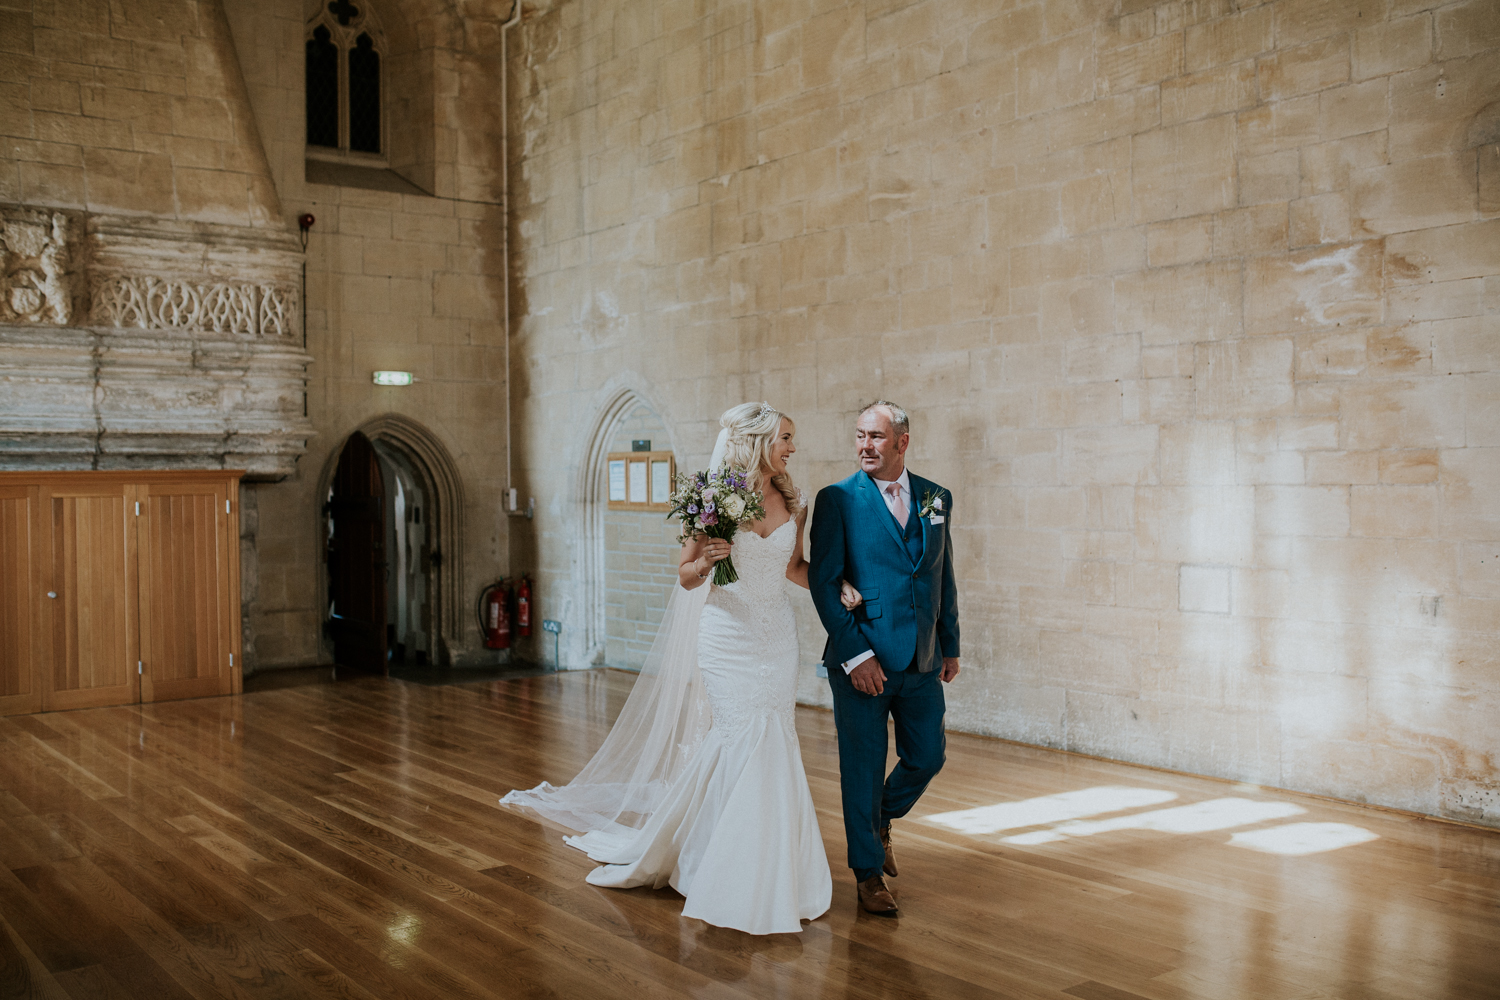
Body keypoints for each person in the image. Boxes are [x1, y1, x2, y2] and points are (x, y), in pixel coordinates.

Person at [502, 402, 835, 935]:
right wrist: (707, 561)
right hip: (726, 637)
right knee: (741, 736)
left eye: (792, 438)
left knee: (775, 737)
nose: (793, 448)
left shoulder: (794, 499)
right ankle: (724, 863)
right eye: (785, 438)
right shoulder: (713, 496)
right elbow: (684, 574)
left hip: (776, 637)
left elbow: (793, 566)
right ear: (756, 441)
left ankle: (773, 863)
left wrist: (834, 587)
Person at [808, 400, 961, 917]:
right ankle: (868, 875)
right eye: (859, 436)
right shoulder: (837, 501)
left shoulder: (935, 498)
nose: (865, 446)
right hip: (863, 661)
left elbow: (942, 574)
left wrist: (950, 643)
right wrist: (855, 655)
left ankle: (878, 821)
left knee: (928, 757)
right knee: (863, 768)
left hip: (921, 657)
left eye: (875, 436)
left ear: (902, 442)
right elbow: (824, 584)